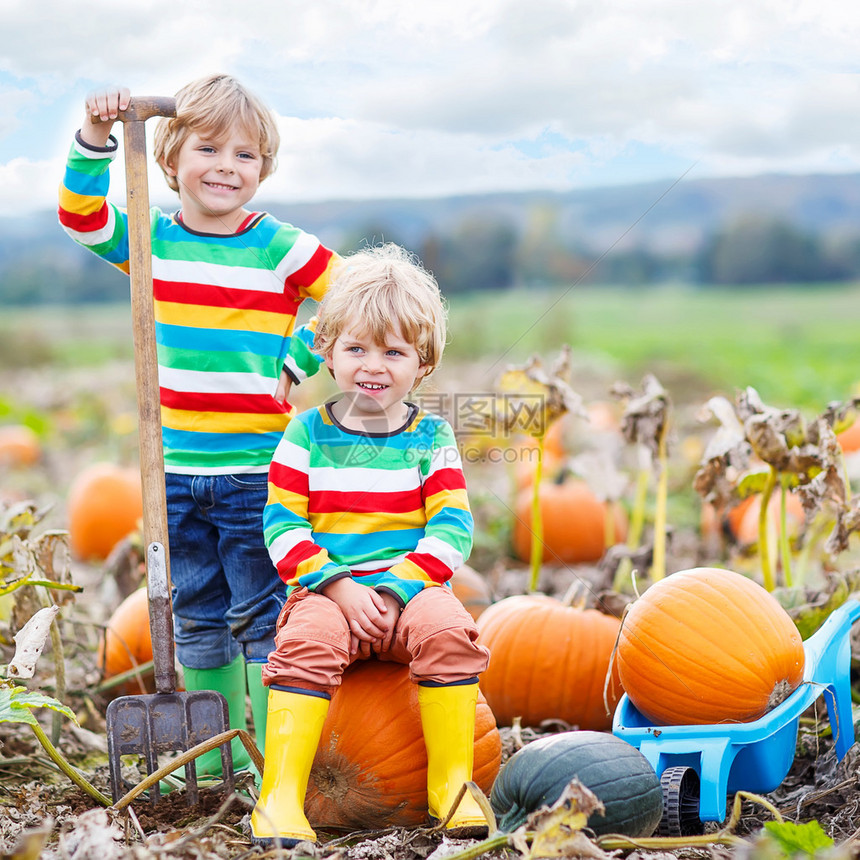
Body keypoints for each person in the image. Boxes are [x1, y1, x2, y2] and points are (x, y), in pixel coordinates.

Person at [58, 75, 339, 777]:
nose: (226, 166)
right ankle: (218, 763)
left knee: (261, 612)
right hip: (172, 470)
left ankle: (273, 757)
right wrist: (97, 137)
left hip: (256, 469)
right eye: (209, 148)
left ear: (264, 171)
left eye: (246, 156)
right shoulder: (151, 238)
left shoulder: (278, 246)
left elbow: (353, 295)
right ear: (170, 156)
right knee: (198, 615)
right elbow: (82, 217)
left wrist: (298, 363)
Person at [249, 243, 491, 847]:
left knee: (449, 632)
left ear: (423, 362)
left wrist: (396, 588)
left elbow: (451, 527)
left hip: (409, 589)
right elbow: (282, 524)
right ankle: (279, 795)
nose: (372, 365)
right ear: (327, 352)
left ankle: (452, 783)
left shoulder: (430, 436)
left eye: (393, 351)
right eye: (355, 348)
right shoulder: (306, 433)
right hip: (326, 591)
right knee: (307, 641)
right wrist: (336, 584)